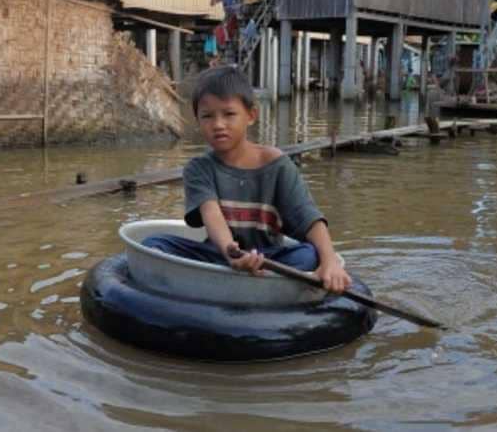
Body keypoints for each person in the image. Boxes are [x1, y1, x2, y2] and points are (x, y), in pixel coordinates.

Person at [142, 66, 353, 293]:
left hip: (269, 258)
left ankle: (257, 280)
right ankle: (241, 278)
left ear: (251, 115)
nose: (218, 124)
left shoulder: (278, 165)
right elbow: (212, 215)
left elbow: (308, 217)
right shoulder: (199, 168)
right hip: (220, 255)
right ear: (198, 120)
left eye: (229, 114)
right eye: (207, 116)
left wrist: (330, 261)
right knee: (154, 244)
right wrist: (231, 253)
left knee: (309, 255)